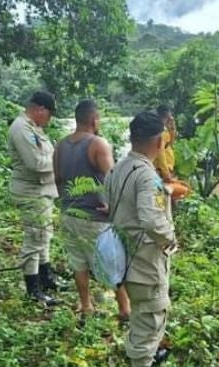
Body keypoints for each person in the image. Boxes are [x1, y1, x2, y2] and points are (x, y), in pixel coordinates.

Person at [106, 111, 177, 367]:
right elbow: (151, 218)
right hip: (145, 260)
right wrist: (170, 239)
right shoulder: (147, 175)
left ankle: (141, 364)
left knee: (142, 315)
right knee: (149, 317)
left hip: (123, 255)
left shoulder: (118, 168)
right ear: (159, 141)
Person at [53, 99, 130, 326]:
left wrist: (67, 201)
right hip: (96, 217)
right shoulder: (98, 144)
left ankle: (86, 306)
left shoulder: (60, 145)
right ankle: (125, 309)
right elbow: (114, 179)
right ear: (94, 120)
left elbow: (57, 179)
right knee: (113, 262)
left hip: (69, 214)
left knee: (79, 263)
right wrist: (113, 206)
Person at [8, 91, 61, 307]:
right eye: (49, 115)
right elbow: (36, 163)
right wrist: (59, 161)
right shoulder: (22, 128)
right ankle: (33, 289)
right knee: (34, 239)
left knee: (44, 235)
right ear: (40, 109)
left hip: (43, 191)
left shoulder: (34, 128)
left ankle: (46, 278)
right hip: (31, 191)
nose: (49, 120)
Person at [153, 105, 189, 200]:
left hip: (167, 168)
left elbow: (171, 143)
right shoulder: (159, 131)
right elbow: (160, 154)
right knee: (169, 194)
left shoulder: (165, 129)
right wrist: (166, 173)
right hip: (161, 170)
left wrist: (172, 128)